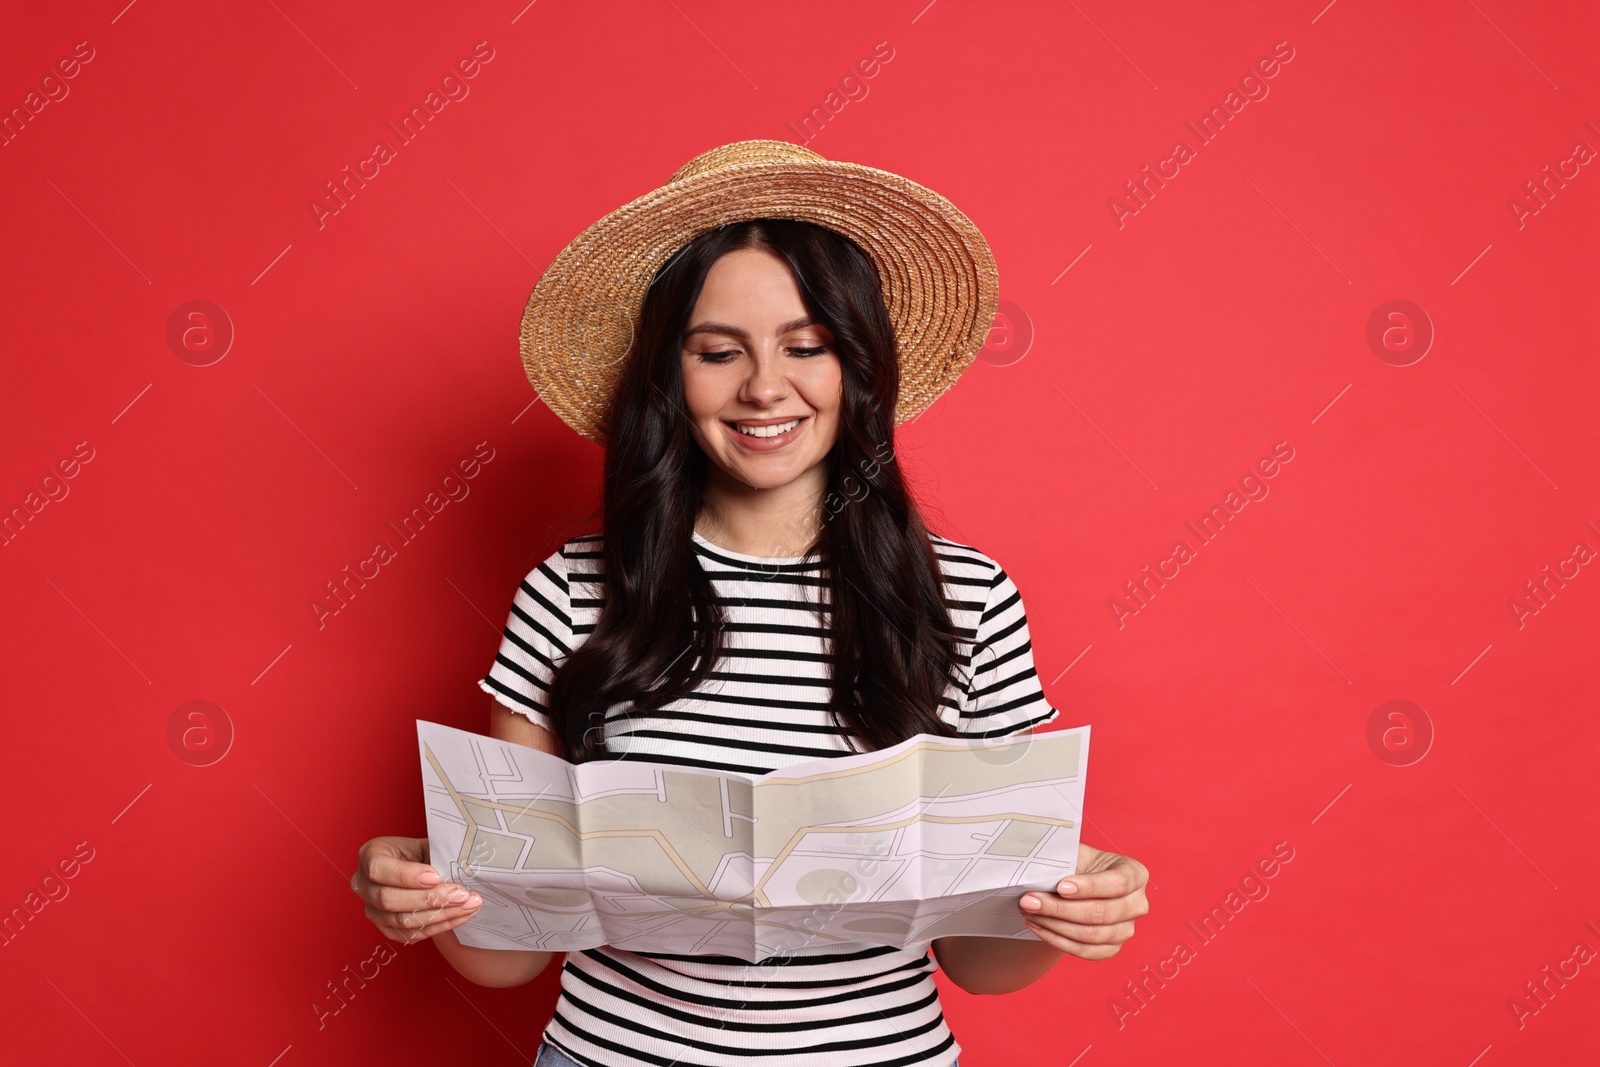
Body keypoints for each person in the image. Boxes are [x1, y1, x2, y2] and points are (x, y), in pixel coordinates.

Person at [351, 141, 1150, 1067]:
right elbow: (507, 960)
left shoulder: (966, 599)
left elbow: (980, 962)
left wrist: (1064, 910)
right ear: (669, 375)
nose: (765, 386)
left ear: (858, 365)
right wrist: (428, 889)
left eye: (806, 345)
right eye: (718, 351)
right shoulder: (570, 591)